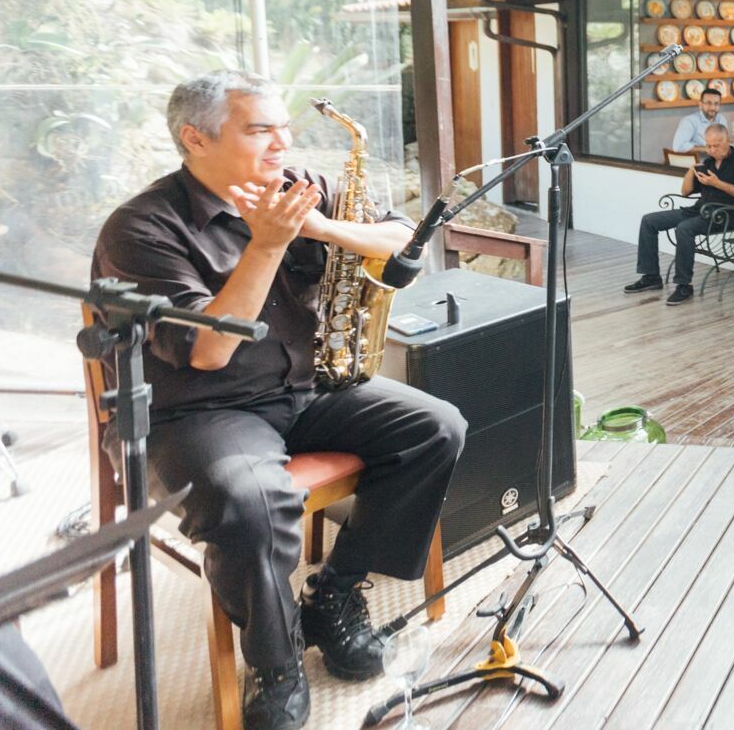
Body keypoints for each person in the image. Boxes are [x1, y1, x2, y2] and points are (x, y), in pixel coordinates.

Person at [91, 72, 466, 730]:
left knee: (437, 428)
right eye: (259, 129)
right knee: (250, 502)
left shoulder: (296, 187)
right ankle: (276, 658)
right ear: (194, 139)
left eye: (282, 127)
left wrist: (322, 227)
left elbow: (404, 239)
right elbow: (208, 352)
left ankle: (337, 590)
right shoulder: (139, 229)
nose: (281, 142)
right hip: (201, 409)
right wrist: (266, 246)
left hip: (303, 386)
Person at [623, 122, 734, 305]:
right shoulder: (709, 162)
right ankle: (651, 276)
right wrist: (691, 170)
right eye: (708, 145)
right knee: (649, 221)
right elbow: (685, 192)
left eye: (716, 145)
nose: (712, 149)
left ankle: (684, 285)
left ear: (728, 140)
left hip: (723, 216)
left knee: (684, 228)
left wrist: (717, 183)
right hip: (698, 210)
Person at [670, 87, 725, 153]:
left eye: (716, 104)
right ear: (700, 104)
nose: (712, 107)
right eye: (708, 103)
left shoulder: (721, 119)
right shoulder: (689, 121)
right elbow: (678, 146)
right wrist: (705, 149)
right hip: (700, 162)